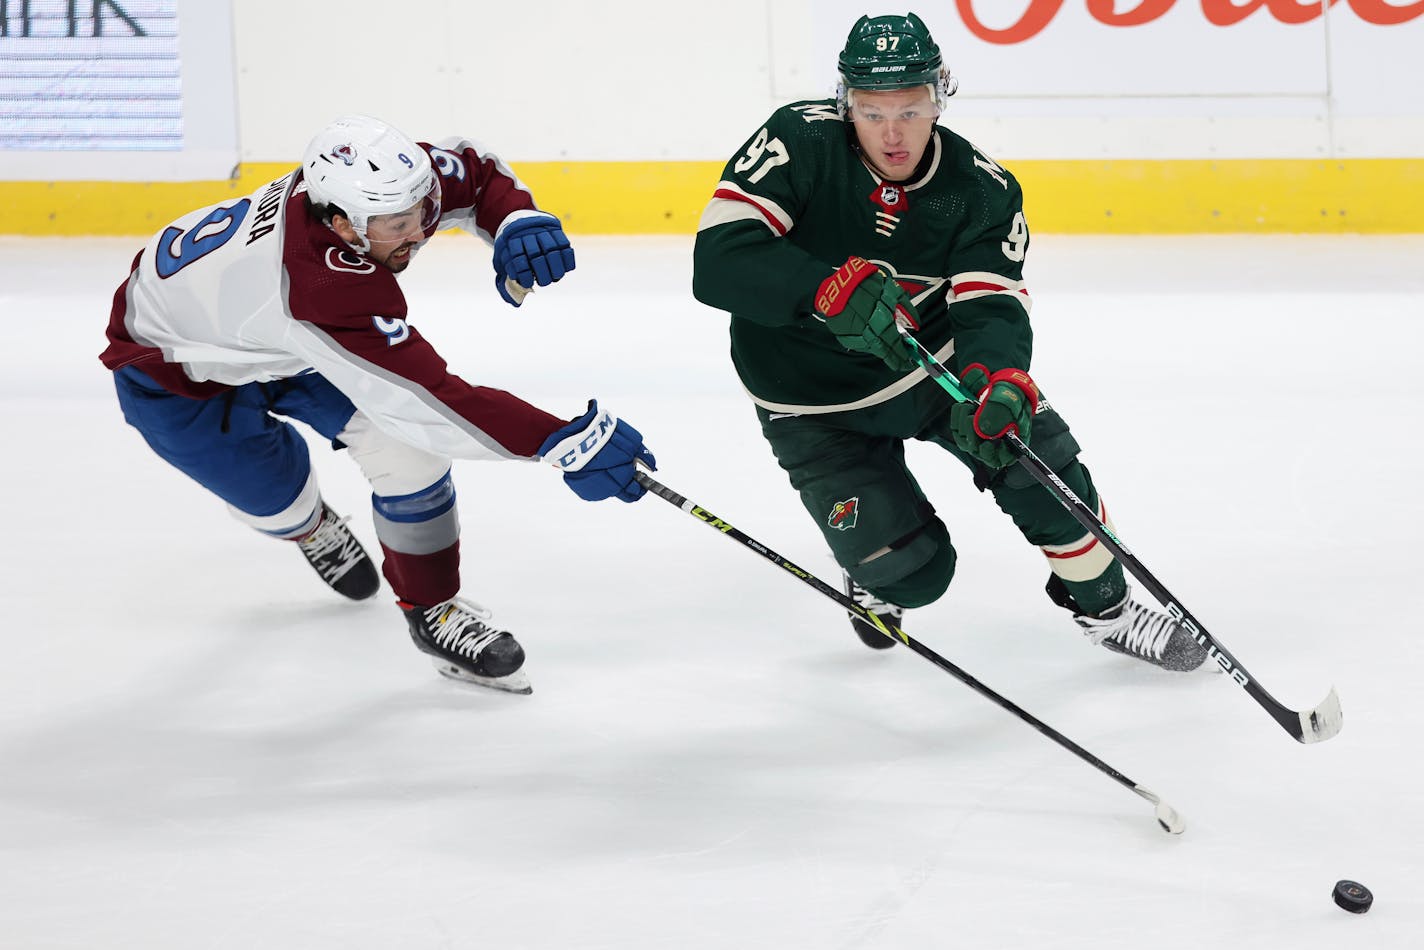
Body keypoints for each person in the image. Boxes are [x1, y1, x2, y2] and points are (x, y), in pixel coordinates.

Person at [691, 13, 1212, 672]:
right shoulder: (798, 140)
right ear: (844, 101)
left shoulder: (977, 189)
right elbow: (718, 262)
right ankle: (877, 573)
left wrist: (998, 378)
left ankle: (1107, 612)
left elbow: (989, 303)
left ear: (940, 96)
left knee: (1037, 458)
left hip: (931, 370)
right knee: (913, 574)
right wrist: (820, 288)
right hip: (809, 400)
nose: (892, 132)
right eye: (871, 110)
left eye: (910, 109)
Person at [101, 114, 656, 694]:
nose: (420, 230)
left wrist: (514, 218)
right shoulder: (322, 285)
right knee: (279, 504)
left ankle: (434, 611)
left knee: (410, 458)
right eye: (399, 225)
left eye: (422, 211)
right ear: (341, 224)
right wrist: (562, 440)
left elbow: (475, 170)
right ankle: (309, 527)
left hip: (279, 339)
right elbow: (430, 402)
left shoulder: (382, 184)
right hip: (177, 377)